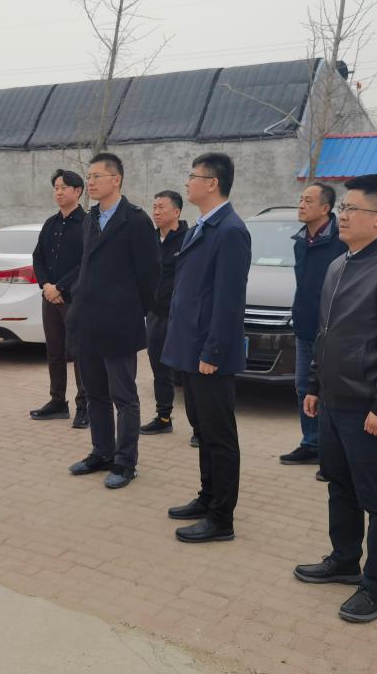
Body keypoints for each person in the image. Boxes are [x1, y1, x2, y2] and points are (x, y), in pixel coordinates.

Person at [294, 174, 377, 623]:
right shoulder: (338, 265)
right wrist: (315, 385)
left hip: (369, 409)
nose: (343, 216)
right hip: (333, 402)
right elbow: (325, 334)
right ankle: (345, 559)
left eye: (352, 209)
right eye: (342, 208)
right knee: (340, 484)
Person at [162, 153, 251, 543]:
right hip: (190, 347)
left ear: (212, 183)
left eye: (193, 176)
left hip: (209, 354)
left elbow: (229, 301)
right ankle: (207, 496)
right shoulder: (203, 225)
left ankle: (221, 518)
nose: (187, 183)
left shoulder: (230, 230)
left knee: (219, 435)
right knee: (203, 429)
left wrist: (213, 352)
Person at [66, 152, 159, 489]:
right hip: (88, 321)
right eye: (88, 176)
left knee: (124, 396)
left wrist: (132, 309)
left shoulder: (135, 220)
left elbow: (150, 274)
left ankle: (125, 462)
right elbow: (86, 265)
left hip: (120, 322)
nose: (89, 182)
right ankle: (101, 452)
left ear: (116, 180)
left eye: (96, 176)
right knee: (95, 394)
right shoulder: (90, 218)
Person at [280, 182, 345, 474]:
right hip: (305, 327)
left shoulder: (341, 242)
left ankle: (331, 453)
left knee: (328, 392)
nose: (301, 204)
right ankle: (311, 444)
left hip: (332, 331)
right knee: (304, 388)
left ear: (325, 208)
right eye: (301, 199)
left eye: (308, 200)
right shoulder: (300, 241)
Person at [30, 169, 88, 428]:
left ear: (78, 191)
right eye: (56, 187)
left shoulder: (87, 224)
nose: (59, 192)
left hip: (74, 299)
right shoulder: (50, 223)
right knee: (54, 351)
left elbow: (86, 262)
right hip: (50, 298)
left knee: (79, 353)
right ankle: (57, 402)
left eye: (64, 187)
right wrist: (46, 286)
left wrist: (60, 287)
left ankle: (84, 405)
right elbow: (38, 257)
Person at [140, 190, 188, 437]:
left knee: (187, 372)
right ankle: (163, 416)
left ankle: (199, 427)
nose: (156, 212)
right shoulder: (150, 239)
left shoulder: (189, 239)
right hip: (156, 314)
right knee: (159, 369)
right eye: (154, 207)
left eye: (162, 207)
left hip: (181, 316)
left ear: (176, 212)